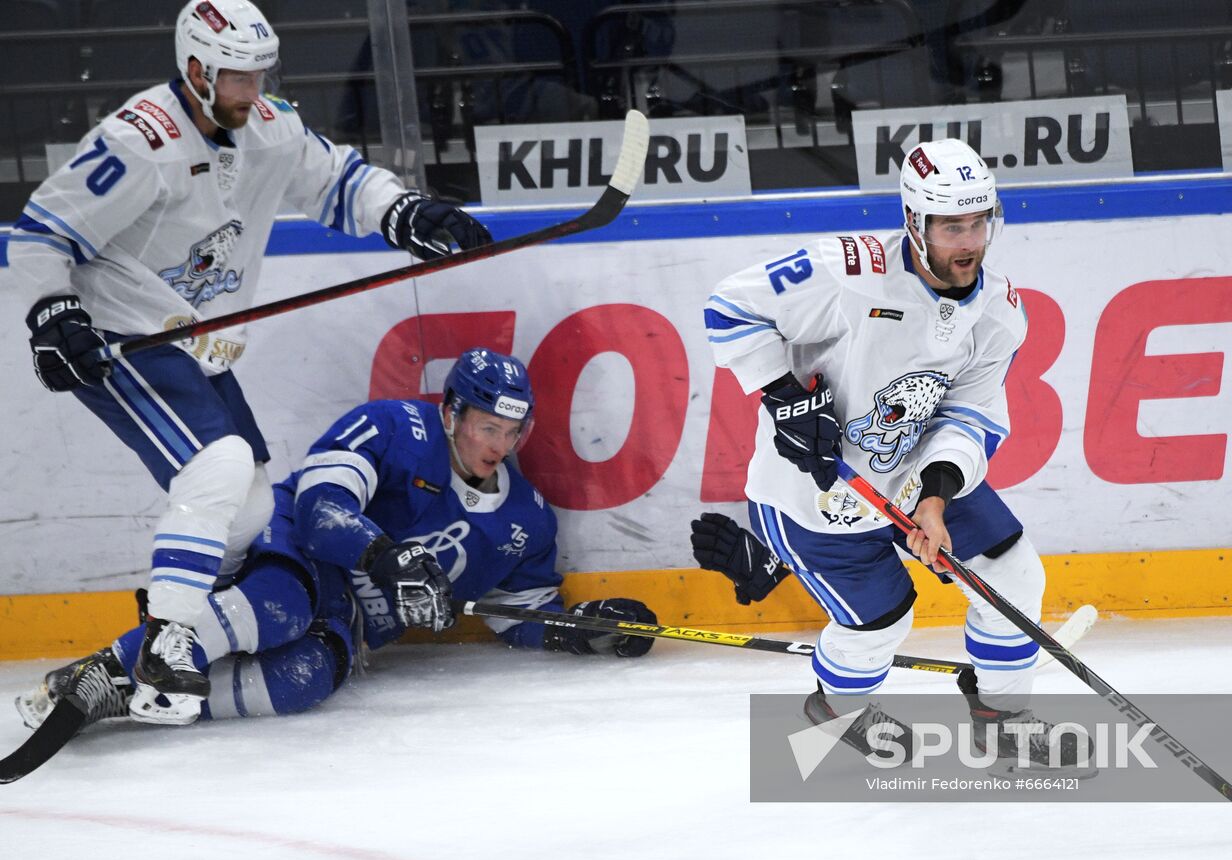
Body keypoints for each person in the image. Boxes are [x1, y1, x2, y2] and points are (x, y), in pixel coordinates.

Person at [4, 1, 492, 725]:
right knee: (220, 465)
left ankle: (178, 635)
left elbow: (337, 181)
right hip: (120, 331)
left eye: (259, 75)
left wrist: (405, 212)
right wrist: (53, 314)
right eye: (237, 77)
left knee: (253, 505)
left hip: (195, 345)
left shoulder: (270, 126)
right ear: (195, 70)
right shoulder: (141, 140)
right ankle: (166, 640)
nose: (252, 91)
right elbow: (40, 233)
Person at [16, 349, 657, 731]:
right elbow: (321, 510)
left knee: (304, 679)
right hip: (294, 547)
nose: (501, 445)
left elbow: (514, 617)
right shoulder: (394, 426)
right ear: (451, 413)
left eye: (513, 433)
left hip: (346, 618)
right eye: (488, 428)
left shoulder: (527, 520)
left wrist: (581, 632)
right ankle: (106, 668)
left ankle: (122, 698)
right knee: (281, 605)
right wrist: (384, 555)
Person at [701, 138, 1087, 770]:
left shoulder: (998, 312)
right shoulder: (849, 270)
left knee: (1014, 573)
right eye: (952, 227)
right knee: (881, 623)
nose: (969, 242)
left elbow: (971, 415)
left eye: (979, 223)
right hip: (813, 495)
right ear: (914, 221)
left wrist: (935, 497)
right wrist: (785, 397)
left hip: (910, 476)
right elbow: (730, 306)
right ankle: (837, 709)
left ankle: (1002, 718)